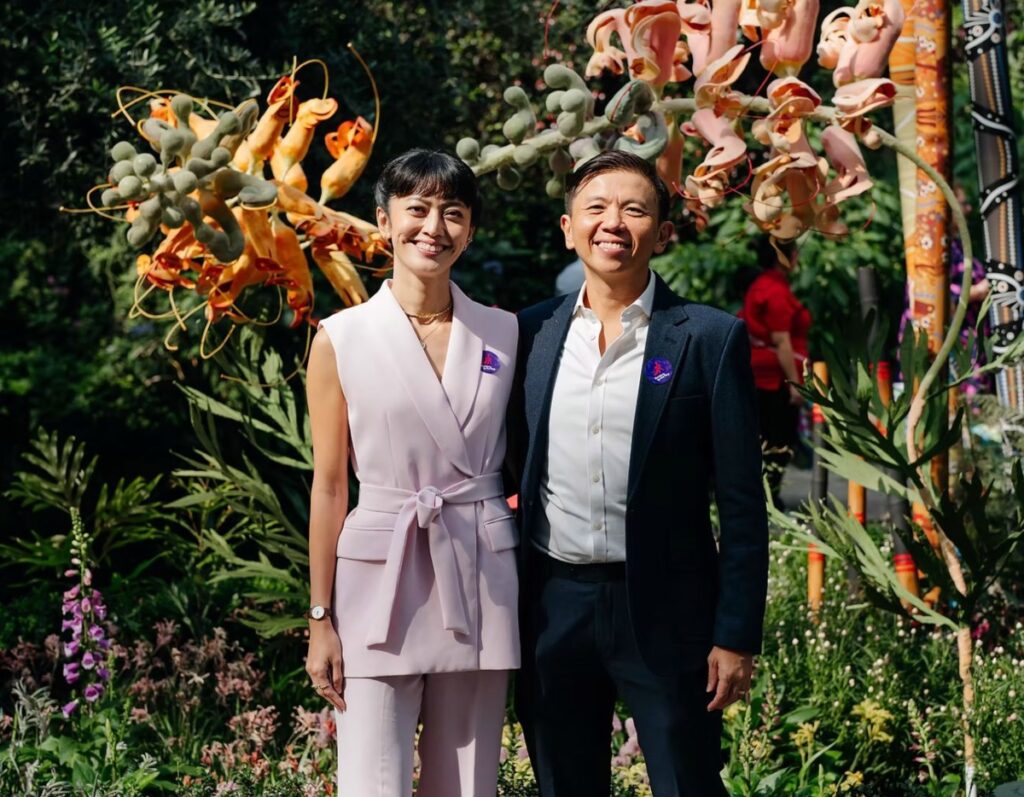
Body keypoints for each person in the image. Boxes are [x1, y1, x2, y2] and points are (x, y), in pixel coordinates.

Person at [508, 151, 769, 796]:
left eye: (634, 209)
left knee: (688, 784)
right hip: (552, 606)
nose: (613, 223)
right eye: (595, 208)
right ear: (568, 227)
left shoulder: (709, 338)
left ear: (662, 228)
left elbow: (741, 503)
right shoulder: (528, 334)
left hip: (669, 608)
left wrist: (735, 634)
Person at [304, 149, 520, 797]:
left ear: (471, 229)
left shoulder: (505, 332)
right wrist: (320, 616)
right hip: (376, 582)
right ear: (383, 218)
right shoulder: (340, 337)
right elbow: (330, 484)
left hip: (480, 572)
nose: (434, 226)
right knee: (373, 781)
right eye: (418, 208)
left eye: (453, 212)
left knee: (469, 782)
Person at [739, 236, 811, 508]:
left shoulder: (764, 285)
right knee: (778, 439)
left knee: (766, 437)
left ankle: (764, 495)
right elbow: (782, 341)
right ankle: (768, 497)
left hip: (760, 374)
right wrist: (794, 384)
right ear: (786, 258)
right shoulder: (775, 291)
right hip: (772, 379)